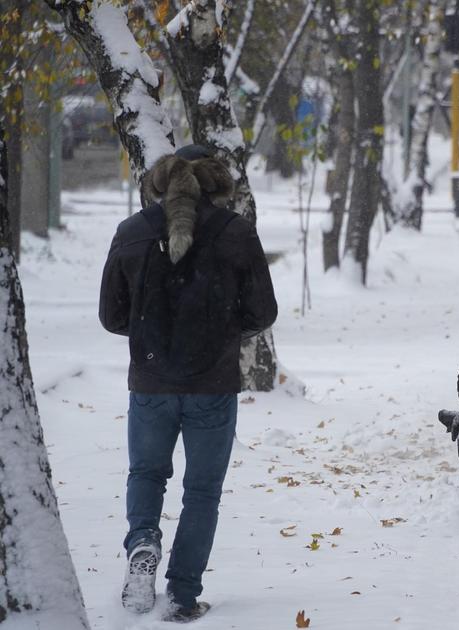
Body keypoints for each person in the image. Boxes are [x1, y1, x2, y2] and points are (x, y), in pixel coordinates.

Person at [99, 144, 277, 622]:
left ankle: (142, 544)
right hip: (213, 386)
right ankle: (181, 594)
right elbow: (263, 312)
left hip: (151, 384)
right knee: (202, 492)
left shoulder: (132, 233)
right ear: (215, 183)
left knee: (146, 474)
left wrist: (152, 334)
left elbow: (111, 315)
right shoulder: (237, 234)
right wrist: (219, 331)